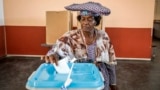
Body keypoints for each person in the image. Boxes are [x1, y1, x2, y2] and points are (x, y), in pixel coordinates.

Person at [41, 1, 117, 90]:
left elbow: (111, 61)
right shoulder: (70, 36)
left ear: (96, 21)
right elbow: (56, 50)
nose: (85, 22)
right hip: (78, 77)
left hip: (100, 77)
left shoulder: (103, 36)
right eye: (83, 19)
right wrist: (53, 55)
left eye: (90, 19)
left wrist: (113, 83)